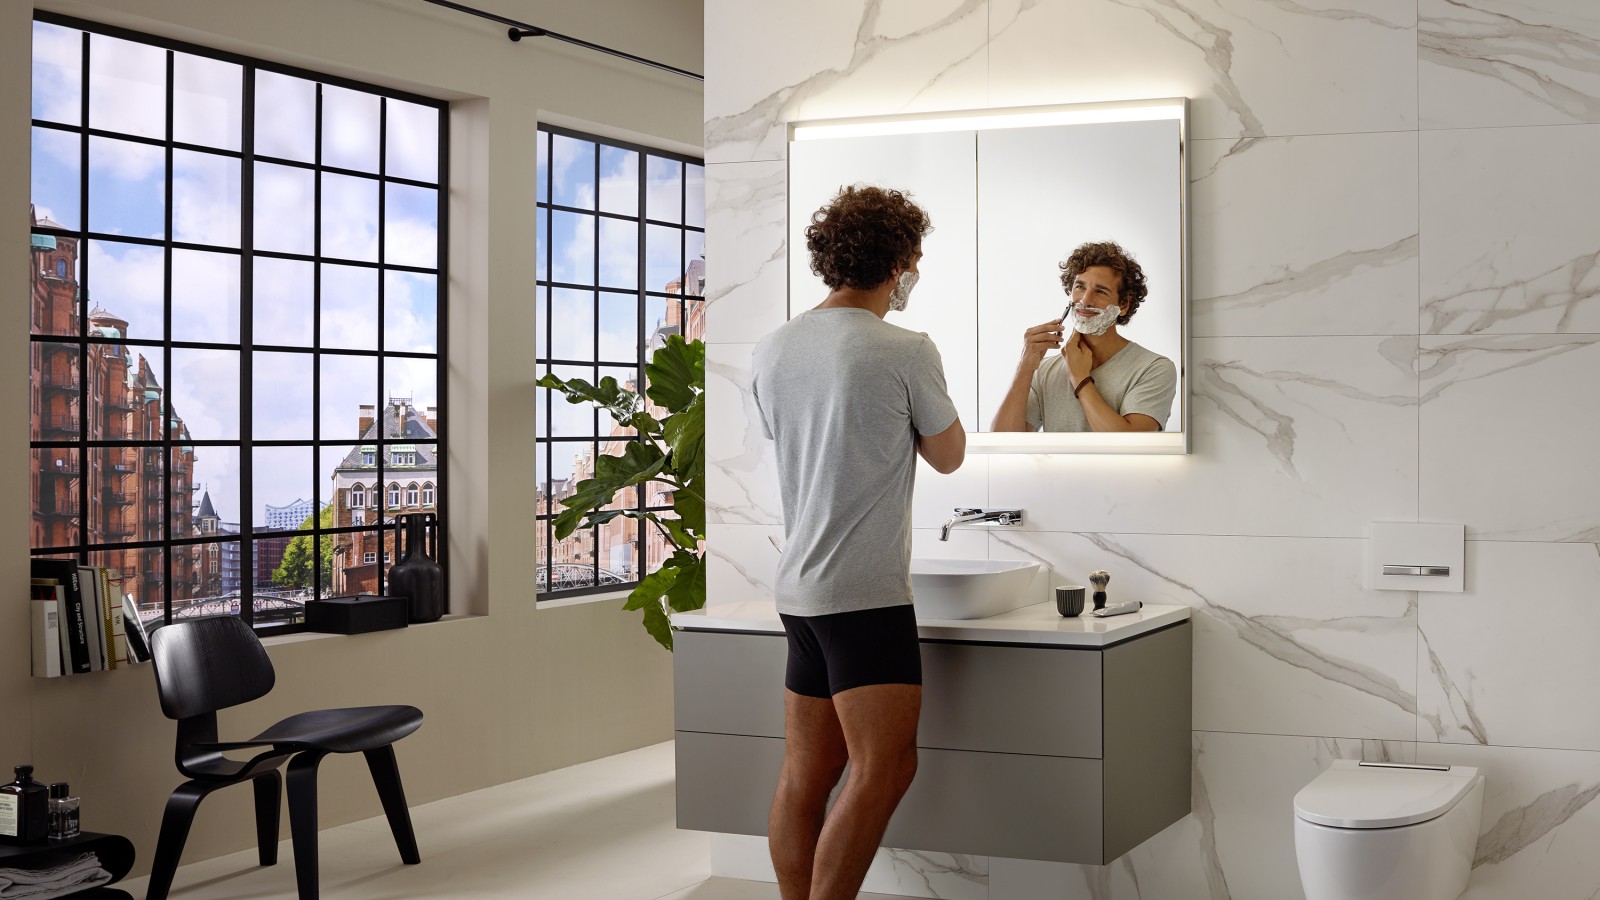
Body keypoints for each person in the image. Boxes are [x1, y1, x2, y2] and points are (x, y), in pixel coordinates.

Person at [751, 184, 966, 900]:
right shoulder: (903, 347)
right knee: (886, 767)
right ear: (899, 260)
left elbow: (807, 447)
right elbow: (949, 455)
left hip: (801, 590)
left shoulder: (775, 348)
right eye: (916, 259)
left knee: (805, 773)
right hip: (866, 594)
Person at [990, 240, 1176, 433]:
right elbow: (1003, 441)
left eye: (1100, 291)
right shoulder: (1044, 371)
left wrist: (1079, 377)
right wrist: (1025, 367)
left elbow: (1129, 444)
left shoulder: (1153, 368)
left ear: (1123, 305)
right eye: (1079, 287)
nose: (1085, 300)